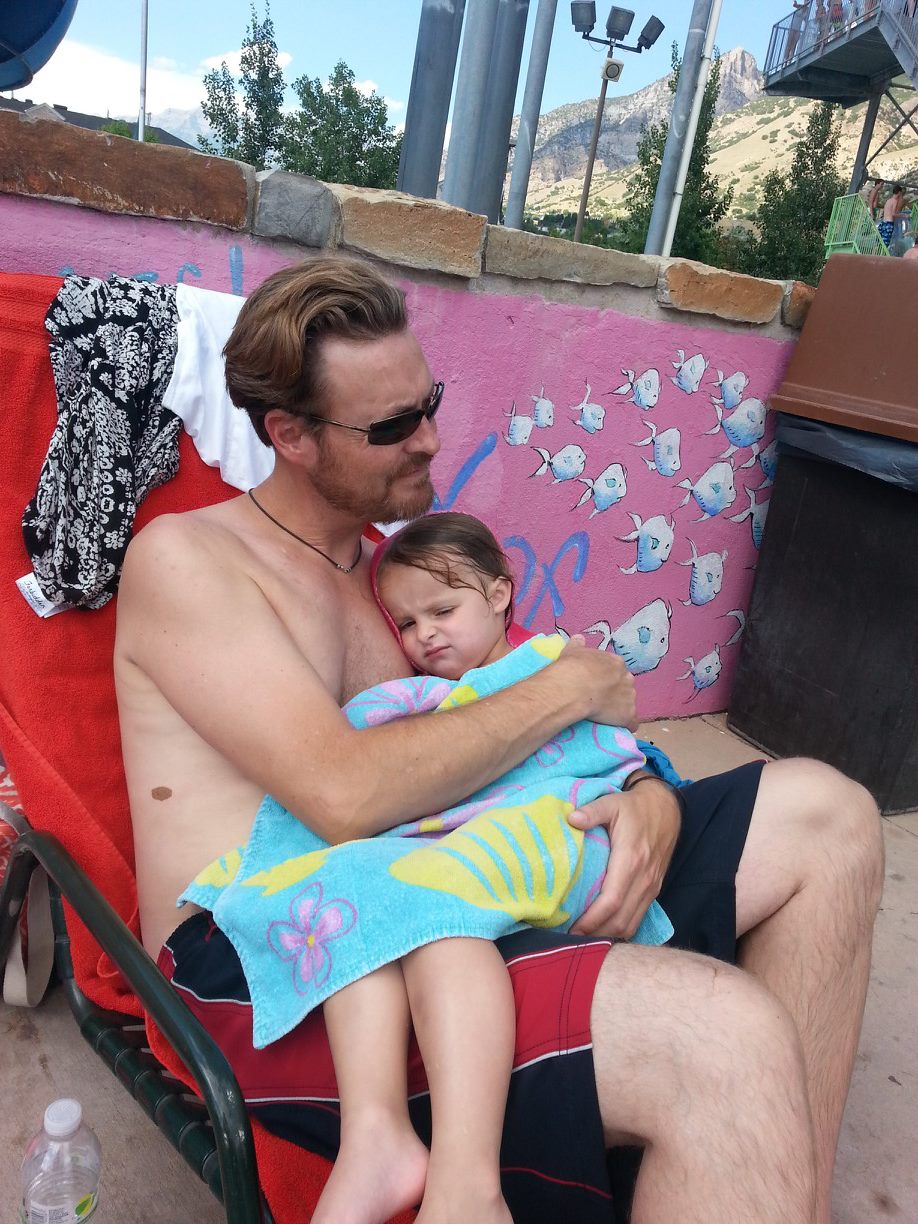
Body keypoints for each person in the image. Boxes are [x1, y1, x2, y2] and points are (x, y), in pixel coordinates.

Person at [115, 255, 883, 1224]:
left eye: (428, 403)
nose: (431, 439)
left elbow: (505, 740)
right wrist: (571, 684)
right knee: (721, 1038)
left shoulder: (401, 581)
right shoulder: (193, 561)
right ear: (290, 436)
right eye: (392, 427)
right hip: (277, 951)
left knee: (828, 817)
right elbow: (346, 794)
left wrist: (647, 792)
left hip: (446, 875)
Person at [243, 510, 665, 1223]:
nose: (425, 635)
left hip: (562, 838)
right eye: (407, 624)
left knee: (428, 903)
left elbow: (607, 753)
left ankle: (463, 1185)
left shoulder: (549, 667)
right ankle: (375, 1138)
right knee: (352, 880)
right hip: (477, 843)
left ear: (499, 594)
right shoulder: (433, 696)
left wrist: (646, 789)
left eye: (442, 611)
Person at [879, 182, 906, 248]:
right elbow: (893, 214)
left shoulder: (889, 200)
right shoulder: (895, 201)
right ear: (899, 192)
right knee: (885, 244)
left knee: (880, 242)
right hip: (889, 223)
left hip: (883, 222)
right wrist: (904, 216)